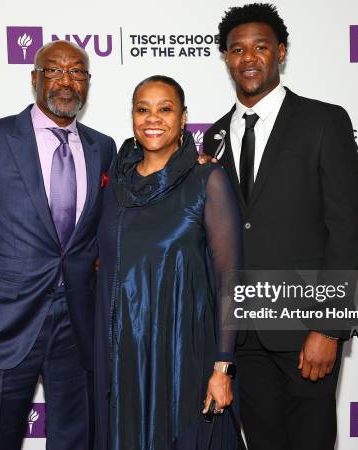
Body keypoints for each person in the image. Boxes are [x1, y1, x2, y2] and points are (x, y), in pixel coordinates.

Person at [202, 4, 358, 450]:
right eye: (237, 49)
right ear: (226, 59)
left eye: (260, 47)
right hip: (243, 334)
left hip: (305, 330)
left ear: (281, 52)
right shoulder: (213, 137)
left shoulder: (324, 122)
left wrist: (329, 327)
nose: (248, 58)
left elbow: (347, 231)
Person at [0, 40, 116, 450]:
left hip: (78, 327)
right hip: (0, 322)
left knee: (79, 441)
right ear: (35, 78)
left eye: (77, 72)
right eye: (54, 70)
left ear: (88, 83)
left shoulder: (102, 147)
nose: (66, 81)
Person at [93, 75, 242, 450]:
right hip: (123, 360)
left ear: (184, 118)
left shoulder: (207, 179)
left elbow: (229, 279)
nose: (152, 119)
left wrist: (223, 366)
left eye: (165, 109)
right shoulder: (113, 185)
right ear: (132, 117)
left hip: (184, 358)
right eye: (143, 109)